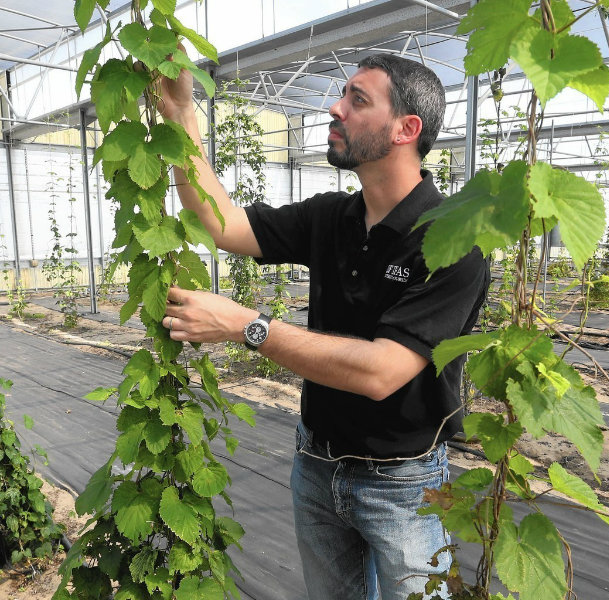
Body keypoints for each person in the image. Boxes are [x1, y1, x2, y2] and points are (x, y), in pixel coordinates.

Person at [155, 52, 489, 600]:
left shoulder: (454, 240)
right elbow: (222, 223)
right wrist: (181, 115)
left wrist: (248, 326)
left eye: (358, 99)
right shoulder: (333, 216)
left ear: (407, 129)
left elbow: (383, 371)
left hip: (403, 485)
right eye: (342, 94)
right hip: (315, 464)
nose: (335, 108)